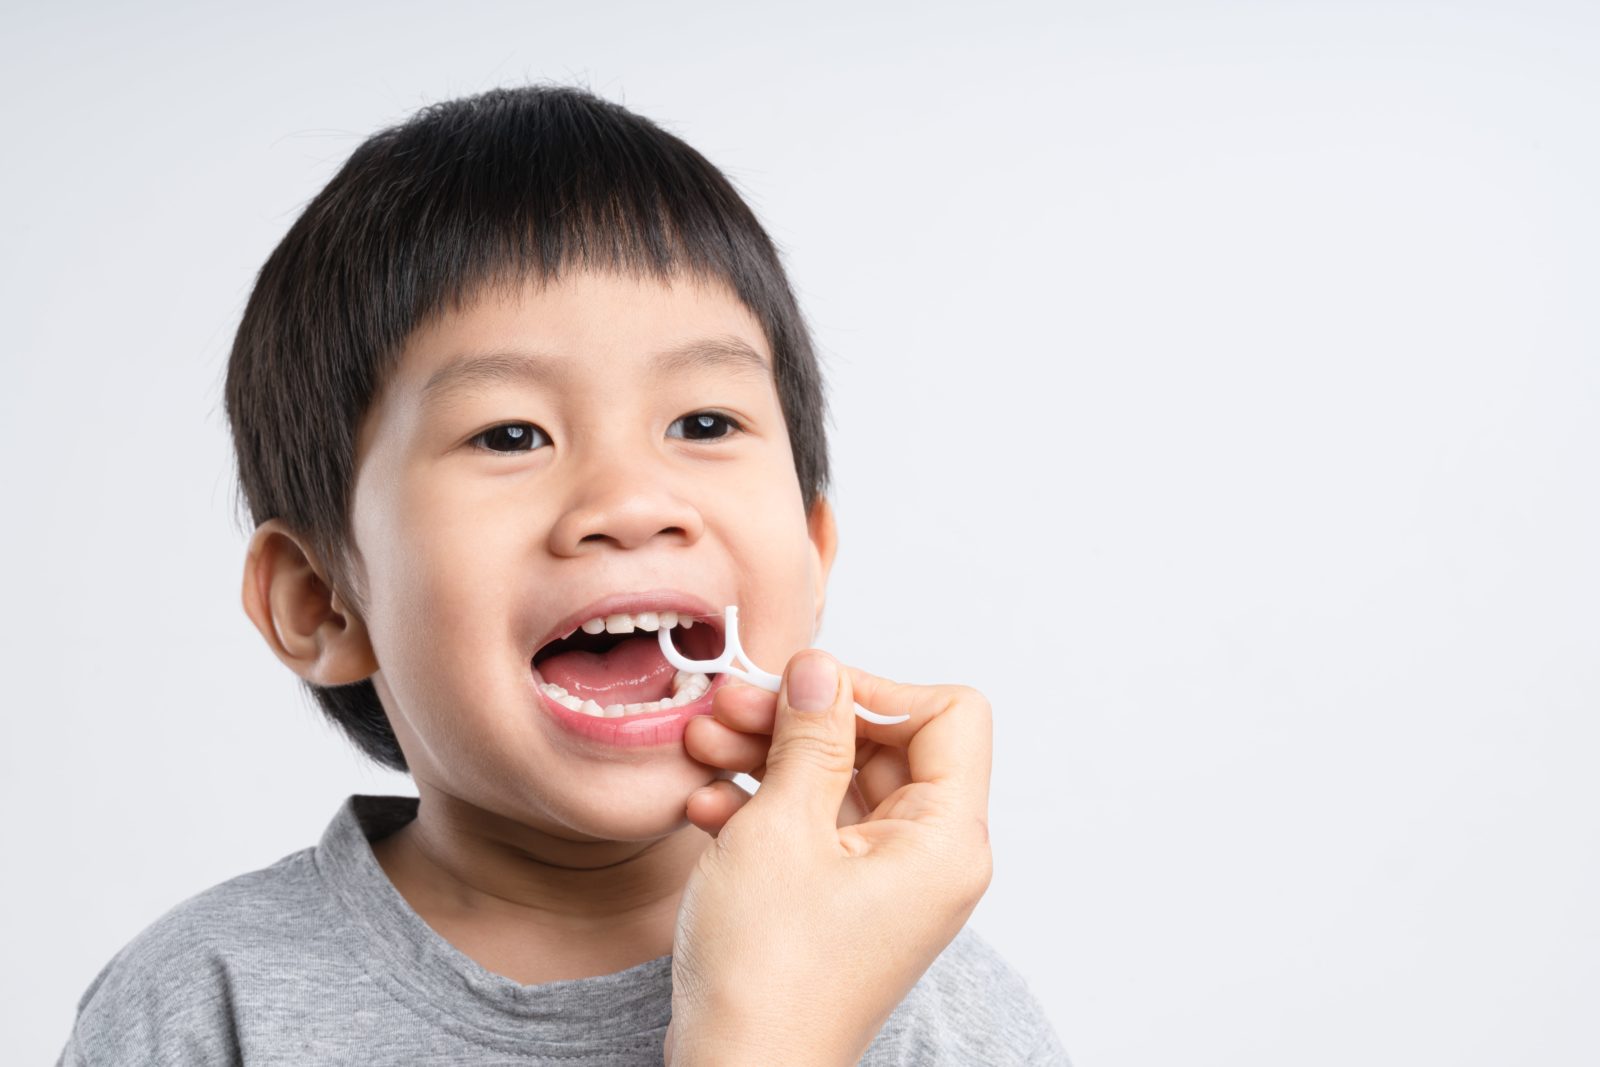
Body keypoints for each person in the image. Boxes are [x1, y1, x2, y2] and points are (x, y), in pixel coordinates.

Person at [55, 84, 1070, 1065]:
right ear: (321, 599)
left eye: (704, 422)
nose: (630, 501)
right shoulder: (203, 1003)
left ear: (812, 551)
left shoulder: (927, 1003)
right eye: (509, 433)